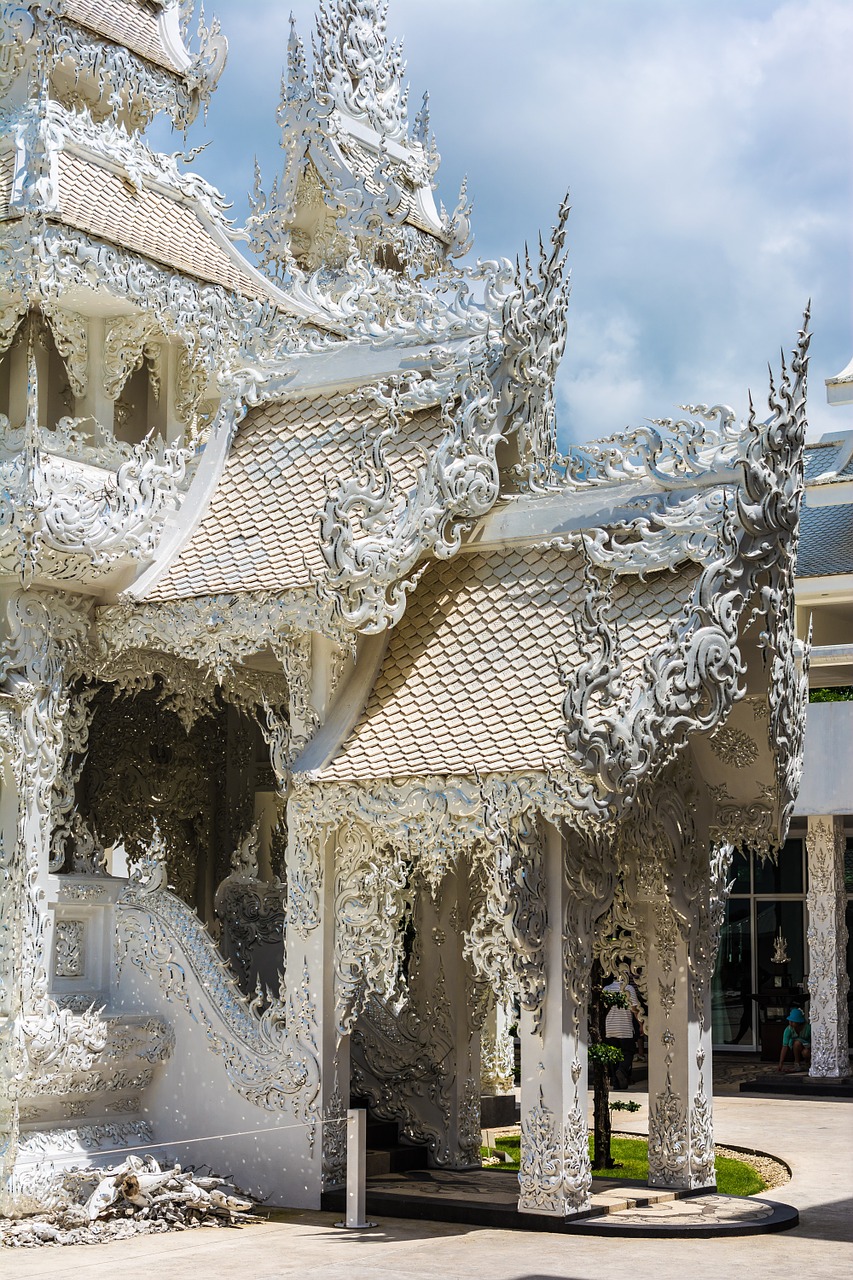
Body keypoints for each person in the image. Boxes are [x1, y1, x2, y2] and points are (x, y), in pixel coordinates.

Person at [604, 976, 645, 1089]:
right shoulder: (628, 988)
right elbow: (635, 1009)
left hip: (610, 1028)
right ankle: (622, 1070)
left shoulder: (606, 989)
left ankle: (616, 1083)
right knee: (628, 1053)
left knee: (613, 1056)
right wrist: (641, 1025)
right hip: (625, 1027)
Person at [778, 1008, 811, 1072]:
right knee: (797, 1043)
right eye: (790, 1021)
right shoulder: (788, 1029)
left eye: (793, 1021)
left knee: (806, 1052)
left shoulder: (808, 1028)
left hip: (808, 1048)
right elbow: (784, 1046)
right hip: (795, 1049)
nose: (790, 1023)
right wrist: (780, 1063)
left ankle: (808, 1063)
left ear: (799, 1022)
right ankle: (797, 1064)